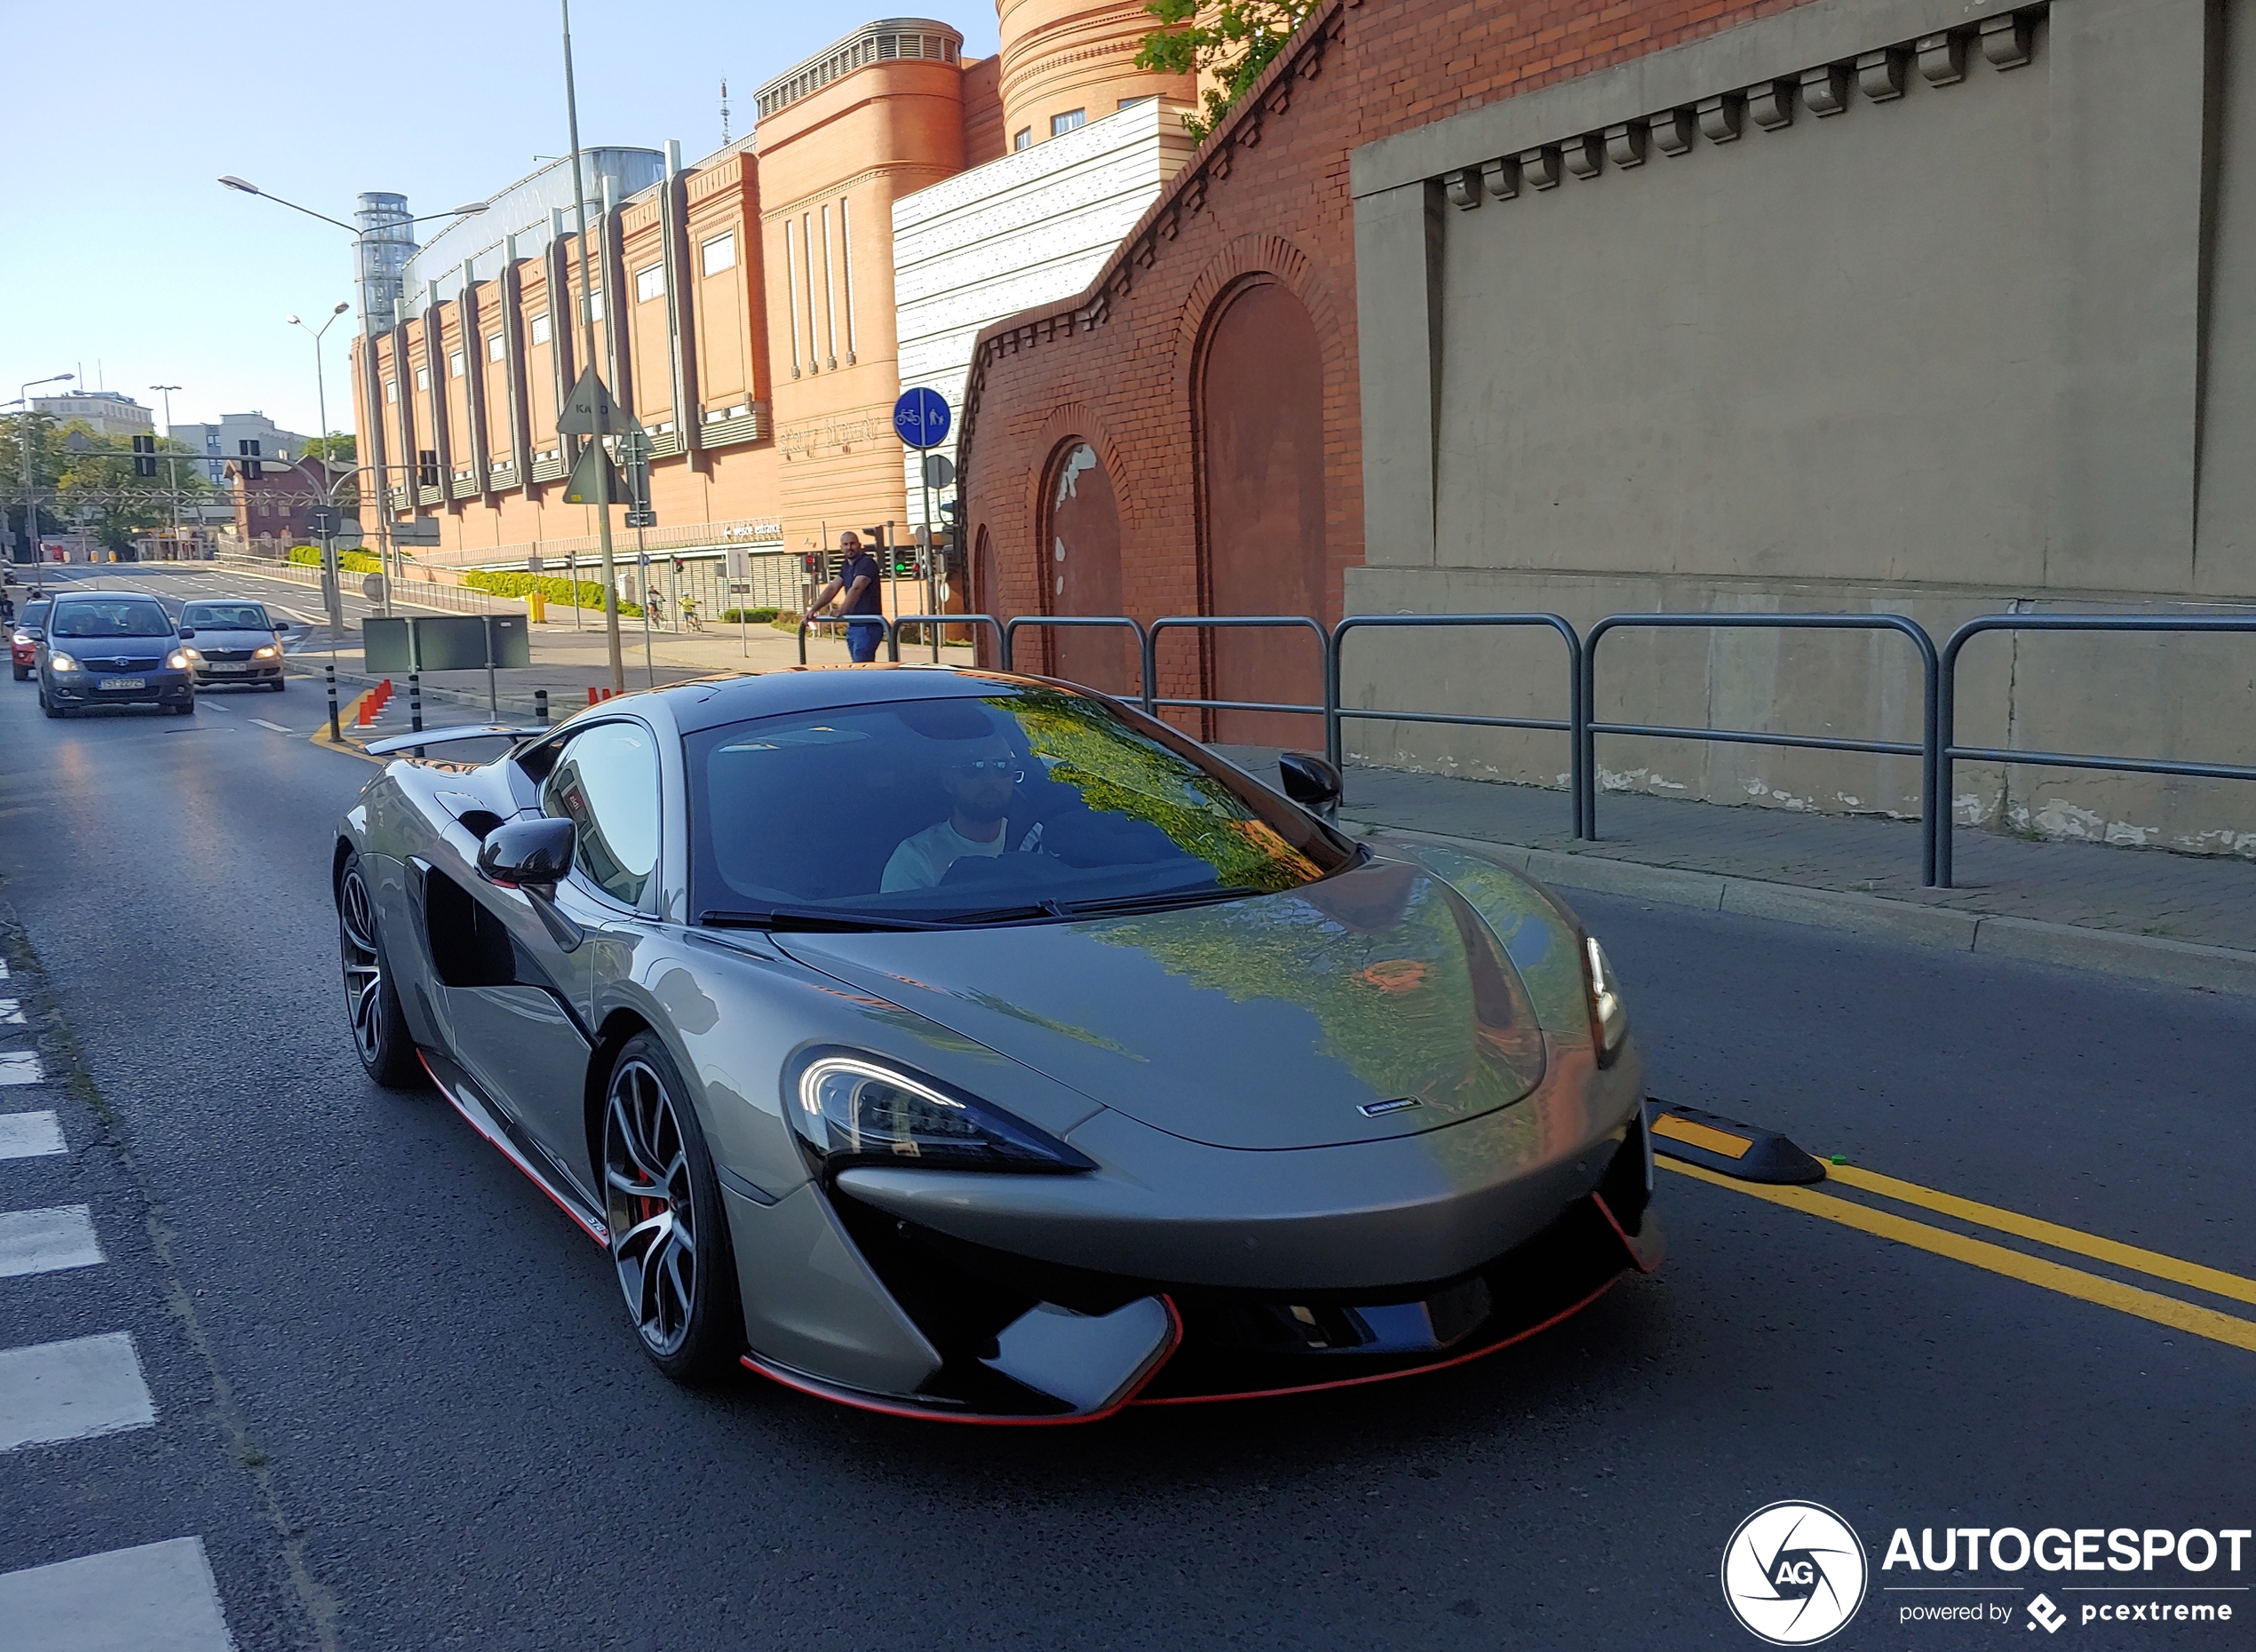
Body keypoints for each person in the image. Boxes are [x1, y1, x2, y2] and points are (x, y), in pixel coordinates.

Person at [881, 736, 1024, 891]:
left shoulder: (1035, 838)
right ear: (949, 782)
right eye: (974, 767)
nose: (991, 779)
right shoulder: (916, 858)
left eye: (1002, 766)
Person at [805, 531, 885, 663]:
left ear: (859, 545)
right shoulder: (846, 566)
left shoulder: (867, 563)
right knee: (859, 666)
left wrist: (842, 611)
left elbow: (857, 587)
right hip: (854, 625)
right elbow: (832, 588)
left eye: (852, 544)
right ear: (841, 547)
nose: (849, 547)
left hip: (868, 626)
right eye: (845, 544)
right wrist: (814, 609)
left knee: (861, 668)